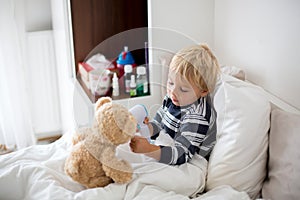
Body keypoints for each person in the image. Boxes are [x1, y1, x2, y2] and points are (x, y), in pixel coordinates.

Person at [130, 44, 220, 165]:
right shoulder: (172, 98)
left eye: (183, 89)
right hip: (169, 148)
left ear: (203, 91)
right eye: (170, 82)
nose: (173, 92)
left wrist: (148, 149)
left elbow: (182, 154)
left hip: (191, 162)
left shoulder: (197, 117)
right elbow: (158, 125)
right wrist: (142, 130)